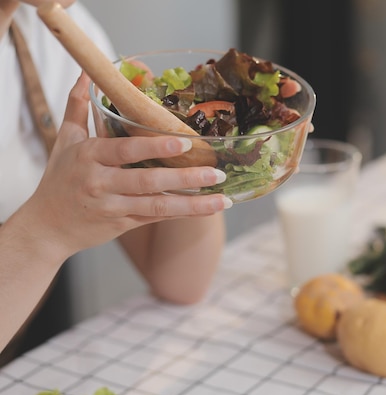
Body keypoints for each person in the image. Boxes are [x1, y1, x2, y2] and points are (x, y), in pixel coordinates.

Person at [0, 0, 231, 360]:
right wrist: (46, 230)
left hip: (36, 355)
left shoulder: (54, 30)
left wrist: (189, 159)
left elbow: (180, 280)